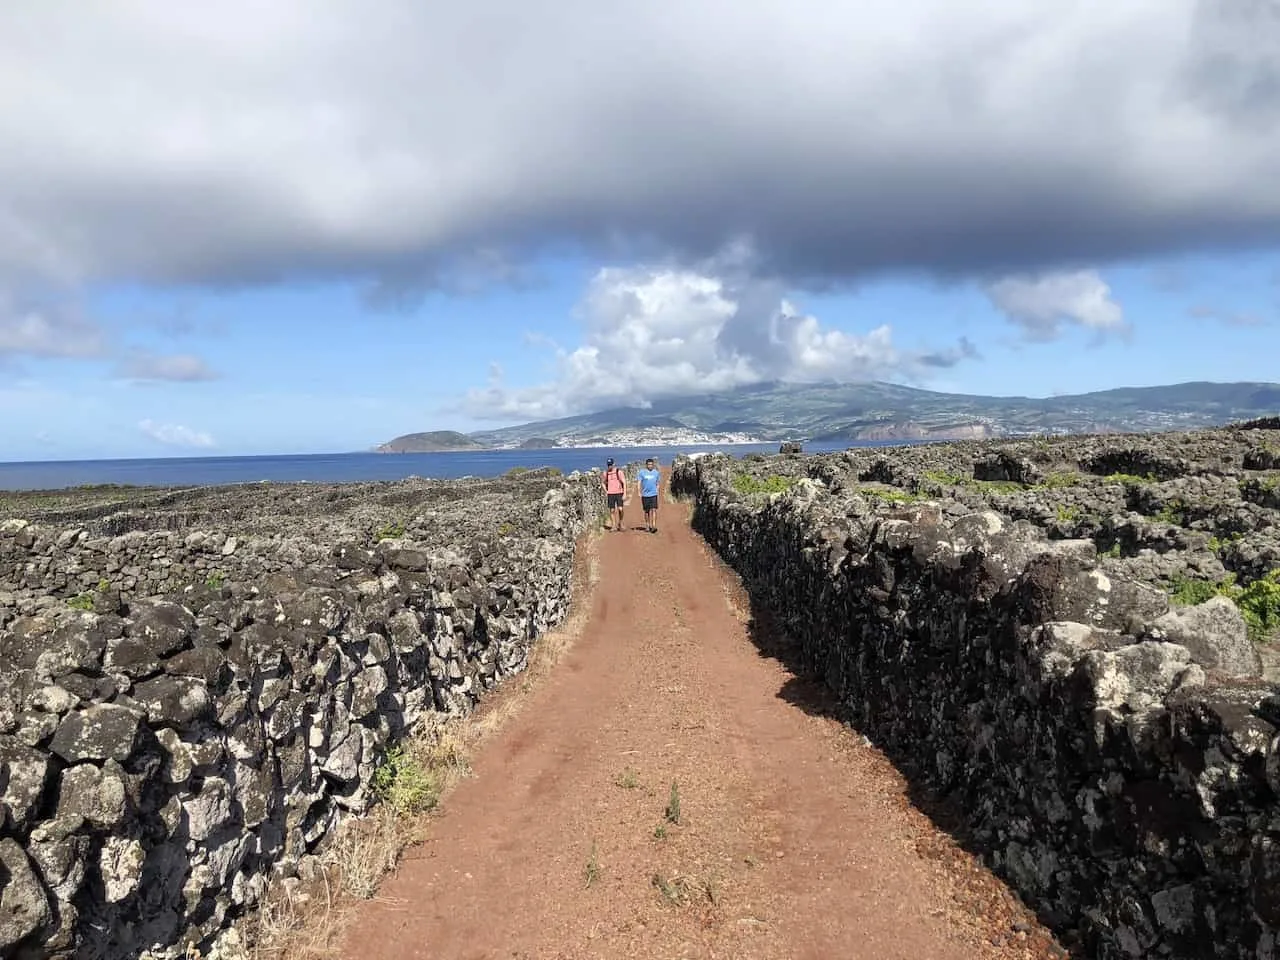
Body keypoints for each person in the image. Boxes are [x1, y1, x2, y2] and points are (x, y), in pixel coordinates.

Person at [637, 457, 661, 533]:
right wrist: (639, 492)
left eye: (651, 464)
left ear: (653, 465)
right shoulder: (642, 472)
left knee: (654, 509)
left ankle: (653, 525)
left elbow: (658, 483)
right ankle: (647, 525)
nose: (650, 466)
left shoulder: (656, 473)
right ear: (646, 465)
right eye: (649, 464)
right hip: (645, 495)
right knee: (646, 511)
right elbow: (639, 482)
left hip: (653, 494)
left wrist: (657, 490)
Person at [602, 458, 626, 531]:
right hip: (611, 494)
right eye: (608, 465)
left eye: (611, 465)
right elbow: (602, 482)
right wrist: (606, 491)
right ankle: (613, 525)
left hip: (619, 492)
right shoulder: (605, 473)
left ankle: (620, 523)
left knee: (620, 509)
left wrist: (624, 493)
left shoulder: (619, 472)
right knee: (612, 510)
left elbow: (624, 482)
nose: (609, 466)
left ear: (614, 464)